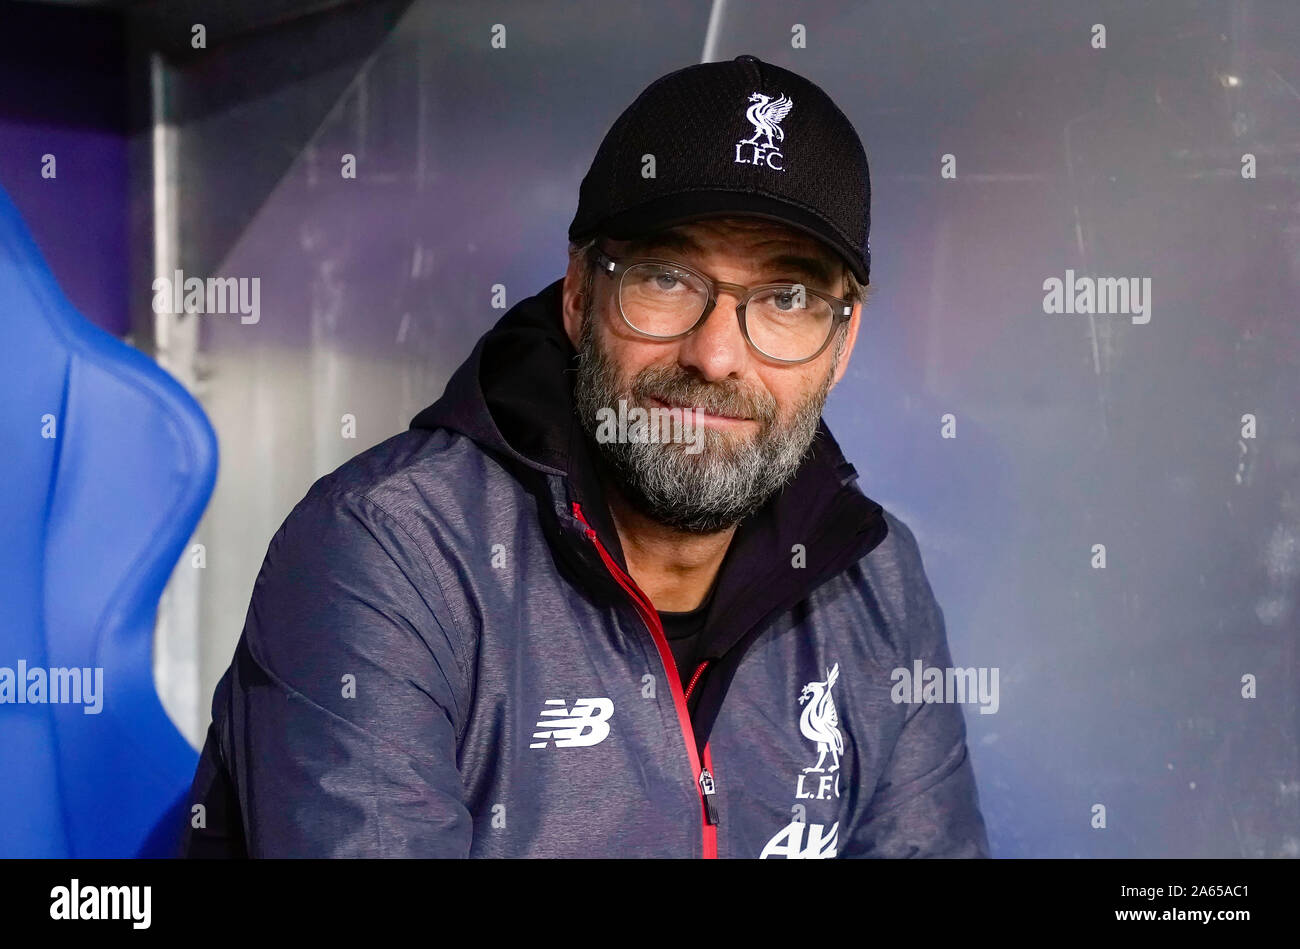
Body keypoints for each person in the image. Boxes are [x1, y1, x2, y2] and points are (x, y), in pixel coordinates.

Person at [181, 53, 990, 858]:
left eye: (786, 298)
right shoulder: (387, 553)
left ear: (841, 344)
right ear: (579, 295)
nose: (714, 357)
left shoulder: (876, 584)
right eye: (667, 279)